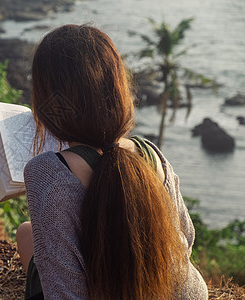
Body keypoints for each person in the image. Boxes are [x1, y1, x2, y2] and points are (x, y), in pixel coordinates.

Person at [16, 24, 208, 300]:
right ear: (118, 89)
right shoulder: (151, 154)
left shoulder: (47, 173)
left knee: (25, 232)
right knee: (26, 232)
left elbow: (63, 289)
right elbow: (186, 240)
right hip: (187, 294)